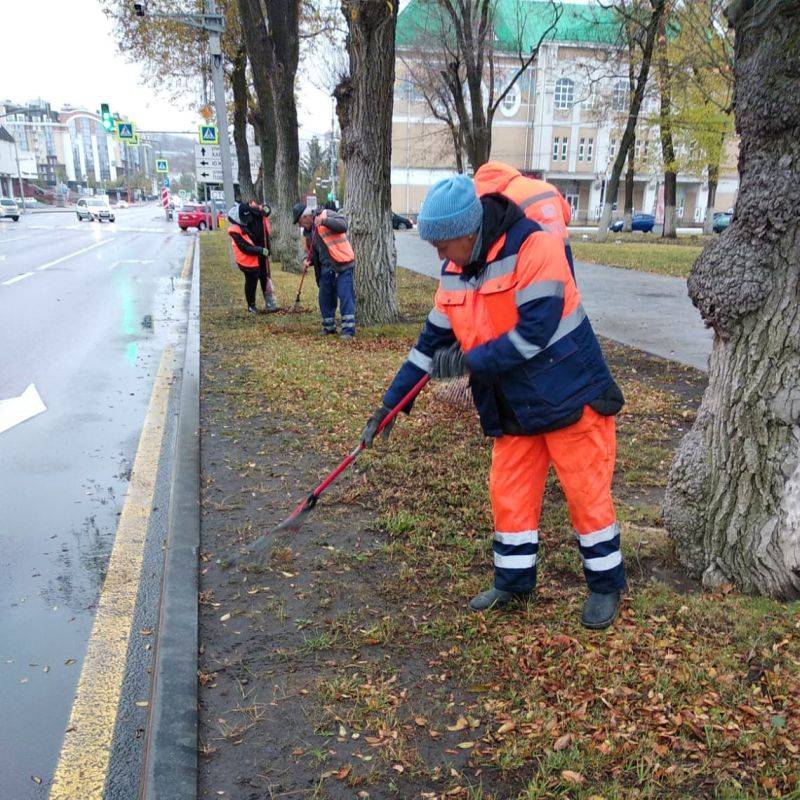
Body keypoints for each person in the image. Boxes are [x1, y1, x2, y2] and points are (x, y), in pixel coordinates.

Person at [359, 173, 626, 629]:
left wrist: (467, 360)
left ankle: (606, 586)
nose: (439, 256)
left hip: (571, 394)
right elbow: (427, 347)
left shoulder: (536, 249)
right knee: (510, 496)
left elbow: (533, 337)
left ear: (468, 231)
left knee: (587, 495)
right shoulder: (455, 272)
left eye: (443, 245)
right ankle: (514, 582)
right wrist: (389, 406)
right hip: (515, 405)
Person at [474, 162, 575, 278]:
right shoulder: (547, 187)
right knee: (567, 292)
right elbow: (567, 215)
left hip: (535, 252)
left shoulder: (505, 198)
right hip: (563, 248)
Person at [293, 202, 356, 338]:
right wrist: (306, 260)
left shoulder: (326, 214)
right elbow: (308, 250)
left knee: (345, 297)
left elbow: (343, 225)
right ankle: (329, 327)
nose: (301, 226)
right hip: (325, 268)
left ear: (306, 217)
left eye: (300, 222)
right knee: (324, 298)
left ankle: (348, 330)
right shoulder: (308, 232)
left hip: (342, 265)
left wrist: (324, 221)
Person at [227, 201, 278, 314]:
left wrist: (265, 210)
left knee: (265, 276)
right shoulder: (237, 225)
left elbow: (267, 209)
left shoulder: (256, 211)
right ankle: (251, 305)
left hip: (262, 248)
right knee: (251, 280)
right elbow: (244, 247)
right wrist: (259, 250)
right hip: (252, 254)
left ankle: (270, 302)